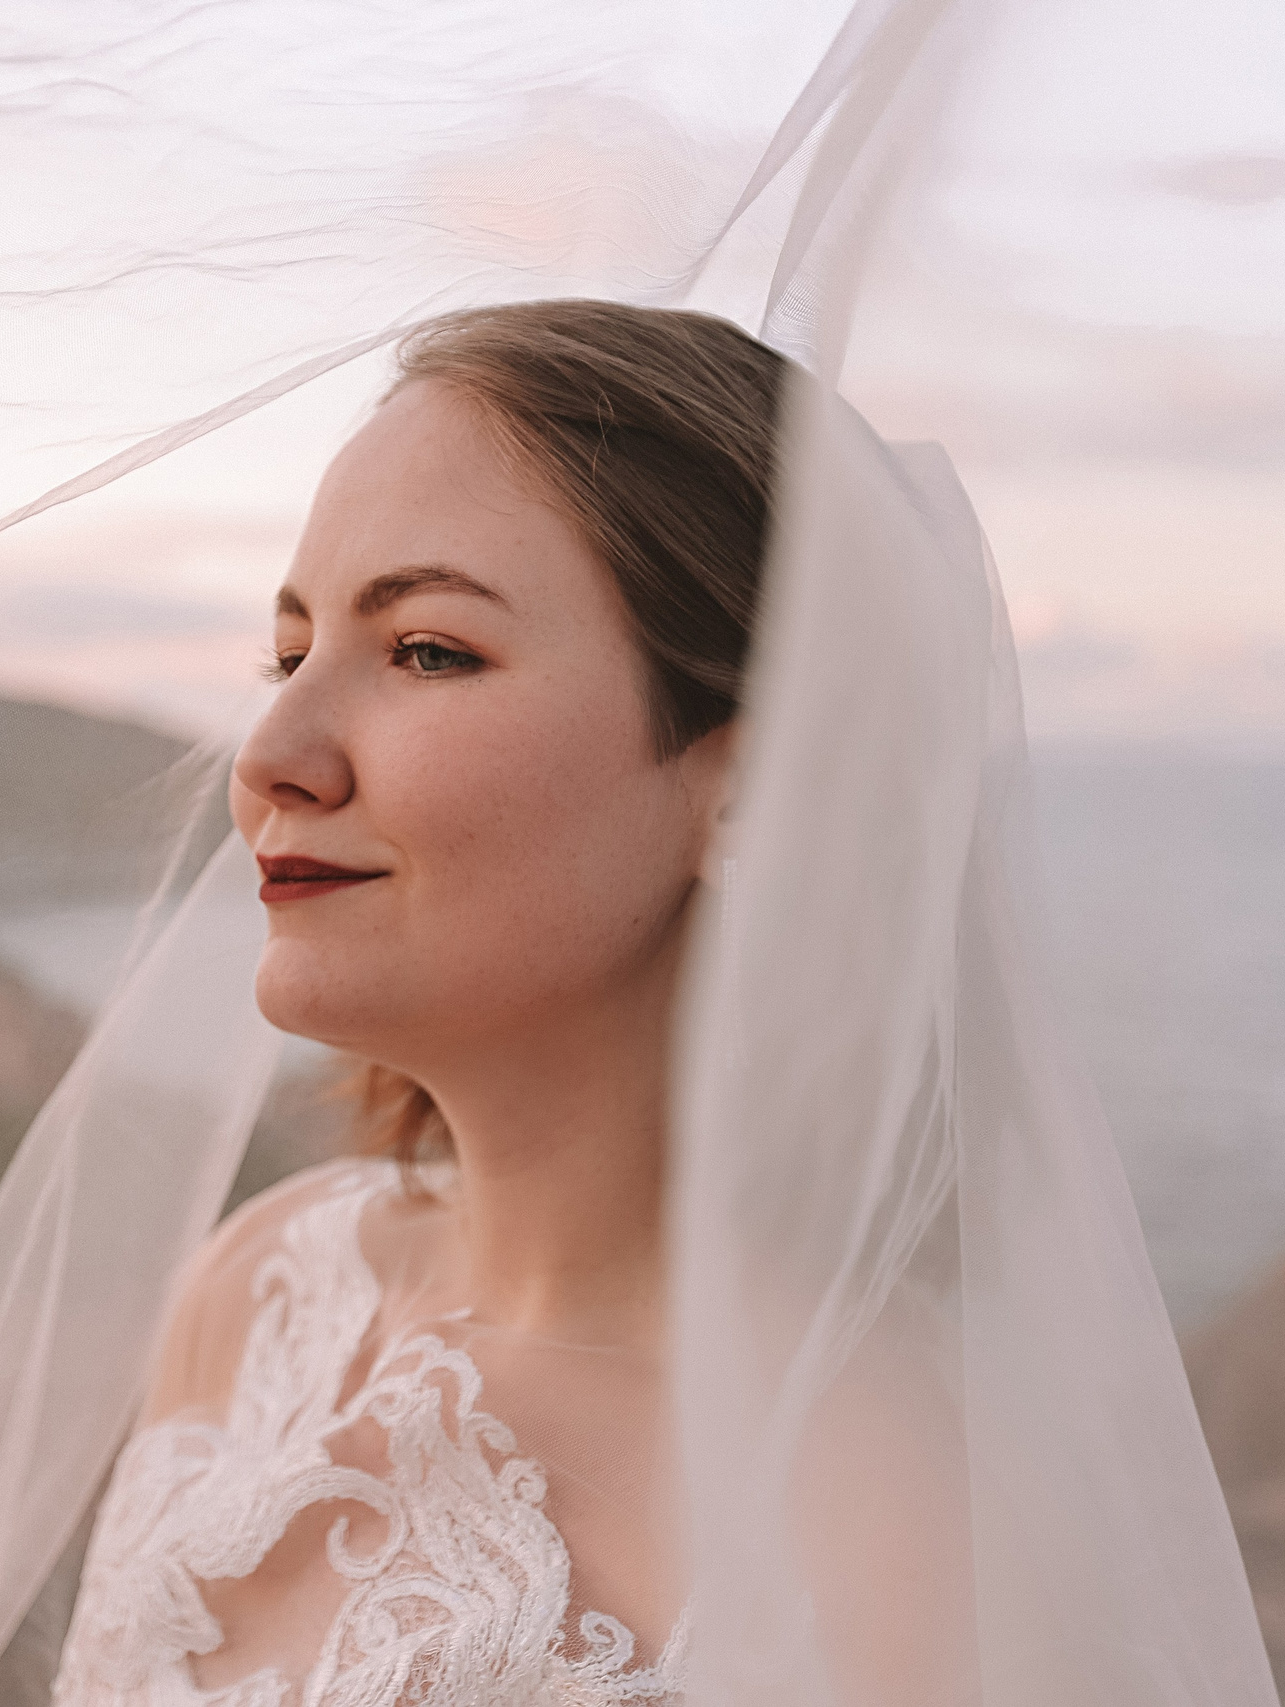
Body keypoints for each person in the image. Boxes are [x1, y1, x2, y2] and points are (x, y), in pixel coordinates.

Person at [51, 300, 974, 1705]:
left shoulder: (870, 1511)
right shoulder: (266, 1290)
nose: (273, 753)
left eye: (427, 650)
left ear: (751, 781)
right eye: (289, 656)